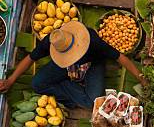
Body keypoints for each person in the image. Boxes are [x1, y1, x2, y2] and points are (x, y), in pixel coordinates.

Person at [0, 21, 145, 109]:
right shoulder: (53, 40)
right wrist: (11, 80)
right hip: (63, 65)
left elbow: (121, 58)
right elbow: (30, 58)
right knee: (37, 84)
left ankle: (74, 89)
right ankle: (72, 90)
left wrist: (141, 78)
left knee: (92, 102)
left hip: (93, 63)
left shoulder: (93, 42)